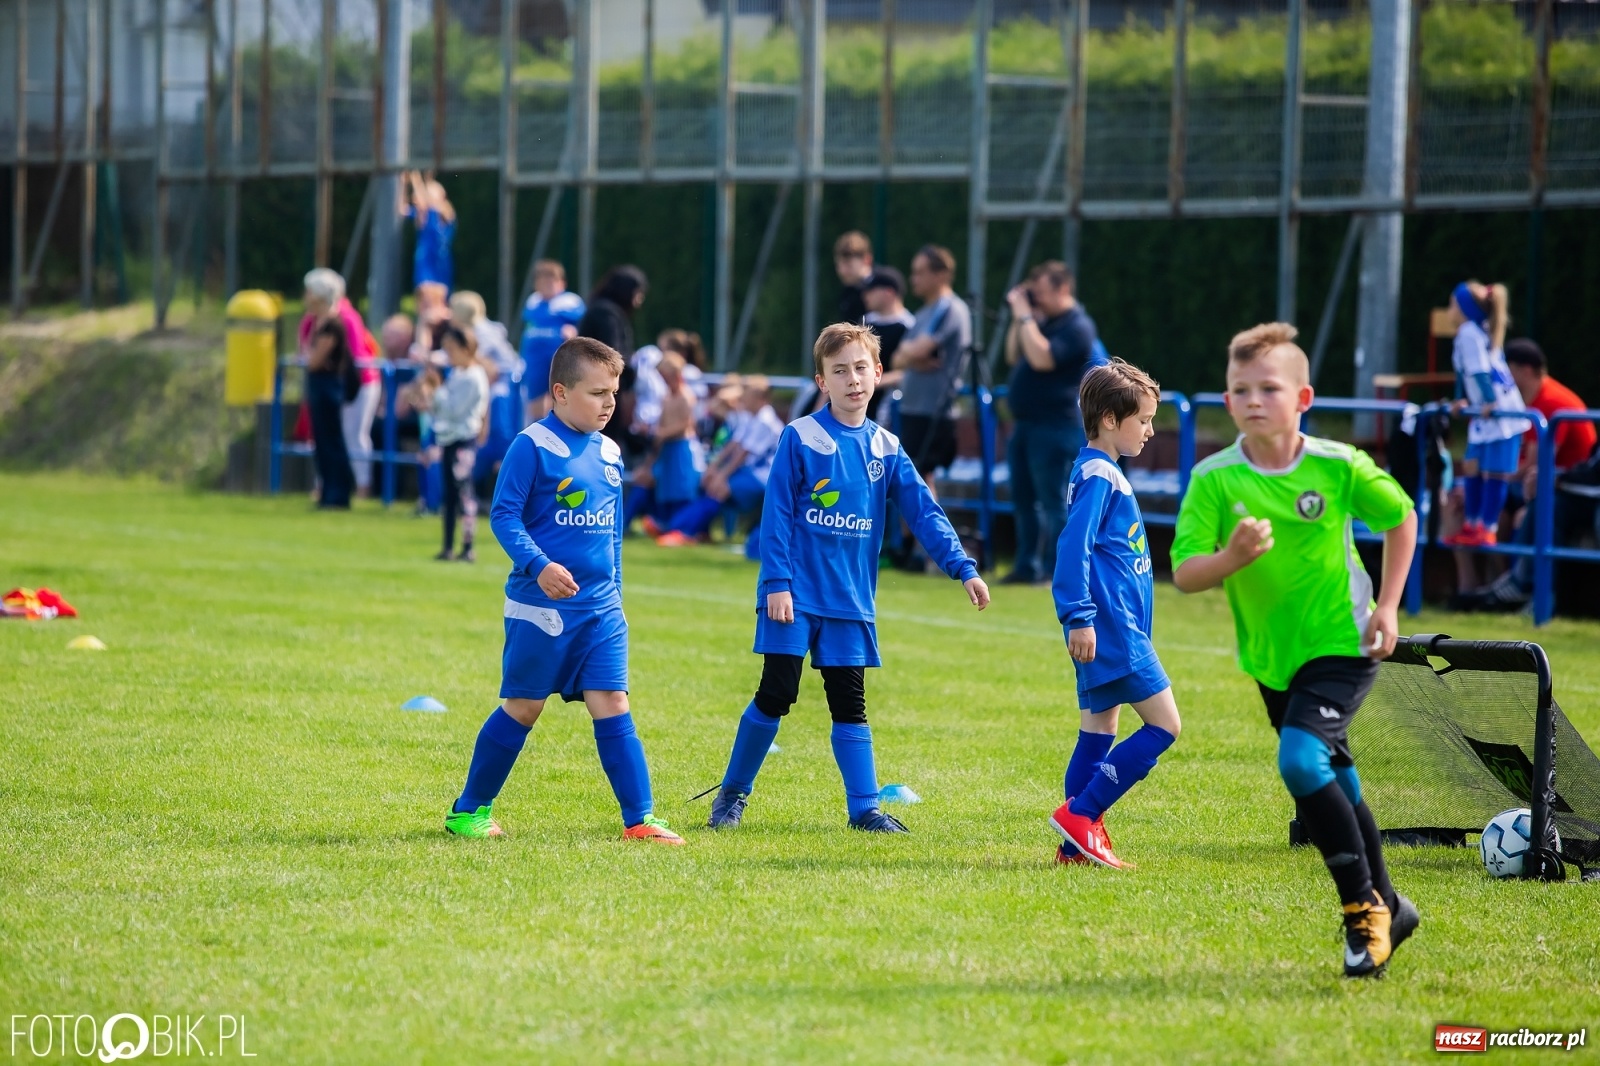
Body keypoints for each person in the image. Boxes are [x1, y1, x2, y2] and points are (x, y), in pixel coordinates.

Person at [1171, 322, 1420, 979]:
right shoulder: (1215, 480)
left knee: (1301, 758)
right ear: (1226, 402)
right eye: (1241, 389)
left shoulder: (1337, 466)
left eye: (1269, 388)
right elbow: (1186, 572)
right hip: (1272, 657)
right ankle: (1394, 905)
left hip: (1345, 640)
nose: (1254, 400)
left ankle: (1363, 911)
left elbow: (1400, 518)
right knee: (1333, 770)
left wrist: (1389, 607)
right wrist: (1234, 556)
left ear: (1303, 397)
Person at [703, 323, 991, 833]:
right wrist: (776, 585)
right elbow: (777, 517)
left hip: (850, 601)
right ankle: (731, 796)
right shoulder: (802, 437)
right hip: (795, 593)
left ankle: (864, 809)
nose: (852, 379)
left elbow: (923, 511)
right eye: (840, 371)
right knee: (777, 692)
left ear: (878, 374)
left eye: (861, 368)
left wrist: (962, 566)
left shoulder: (886, 447)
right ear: (822, 381)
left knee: (849, 702)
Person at [443, 336, 684, 845]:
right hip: (540, 608)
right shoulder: (532, 446)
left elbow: (612, 532)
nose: (609, 403)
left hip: (601, 611)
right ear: (559, 392)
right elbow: (503, 516)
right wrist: (539, 565)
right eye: (597, 393)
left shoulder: (611, 452)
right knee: (524, 708)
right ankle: (468, 811)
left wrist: (615, 591)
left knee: (614, 703)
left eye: (614, 393)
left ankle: (640, 819)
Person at [1048, 359, 1180, 869]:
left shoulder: (1096, 470)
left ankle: (1073, 848)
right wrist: (1078, 615)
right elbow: (1073, 548)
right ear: (1109, 418)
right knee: (1165, 727)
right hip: (1111, 629)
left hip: (1110, 629)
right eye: (1143, 420)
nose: (1149, 431)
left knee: (1098, 732)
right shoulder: (1100, 474)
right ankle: (1081, 815)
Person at [1467, 338, 1597, 611]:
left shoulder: (1552, 402)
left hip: (1564, 484)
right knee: (1472, 505)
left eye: (1506, 369)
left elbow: (1536, 465)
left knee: (1533, 505)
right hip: (1553, 482)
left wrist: (1494, 477)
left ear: (1525, 370)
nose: (1500, 376)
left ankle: (1522, 587)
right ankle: (1487, 584)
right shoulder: (1522, 400)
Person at [1001, 261, 1101, 586]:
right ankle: (1025, 566)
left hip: (1056, 428)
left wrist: (1026, 316)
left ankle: (1055, 571)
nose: (1037, 300)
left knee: (1054, 502)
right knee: (1023, 500)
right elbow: (1015, 355)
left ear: (1063, 289)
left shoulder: (1078, 326)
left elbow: (1043, 359)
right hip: (1028, 426)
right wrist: (1023, 316)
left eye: (1042, 293)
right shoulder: (1043, 322)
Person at [1442, 281, 1528, 548]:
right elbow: (1463, 373)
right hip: (1484, 414)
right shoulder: (1473, 331)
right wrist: (1461, 399)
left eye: (1452, 304)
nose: (1449, 310)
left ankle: (1486, 527)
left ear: (1464, 308)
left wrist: (1489, 401)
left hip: (1500, 413)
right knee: (1472, 467)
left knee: (1494, 472)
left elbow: (1480, 372)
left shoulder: (1469, 331)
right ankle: (1472, 524)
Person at [655, 376, 785, 546]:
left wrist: (721, 476)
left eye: (748, 395)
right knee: (707, 484)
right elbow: (734, 445)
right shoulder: (752, 416)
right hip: (749, 472)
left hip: (764, 477)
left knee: (718, 490)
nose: (744, 398)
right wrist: (713, 469)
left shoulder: (765, 421)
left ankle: (682, 530)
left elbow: (743, 454)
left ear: (760, 399)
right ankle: (694, 530)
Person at [406, 324, 489, 561]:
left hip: (463, 441)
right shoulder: (459, 375)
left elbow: (453, 409)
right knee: (450, 495)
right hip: (449, 439)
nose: (448, 355)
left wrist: (436, 387)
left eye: (452, 349)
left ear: (466, 349)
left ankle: (467, 547)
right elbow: (441, 408)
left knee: (464, 493)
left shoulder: (473, 377)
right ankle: (448, 546)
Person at [893, 245, 971, 486]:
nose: (913, 279)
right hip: (914, 410)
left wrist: (911, 354)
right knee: (911, 484)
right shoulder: (925, 312)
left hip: (933, 412)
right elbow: (896, 358)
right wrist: (912, 356)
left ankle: (930, 527)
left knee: (919, 484)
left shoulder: (949, 308)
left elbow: (916, 350)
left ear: (941, 274)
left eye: (920, 272)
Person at [299, 268, 380, 498]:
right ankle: (327, 487)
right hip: (330, 386)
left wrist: (311, 359)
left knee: (350, 435)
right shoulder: (314, 320)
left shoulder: (341, 320)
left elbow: (354, 355)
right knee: (328, 438)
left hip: (352, 385)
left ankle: (355, 487)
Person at [301, 275, 359, 510]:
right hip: (320, 387)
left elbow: (314, 361)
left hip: (328, 387)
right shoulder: (319, 322)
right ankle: (327, 492)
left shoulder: (333, 324)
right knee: (322, 442)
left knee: (331, 442)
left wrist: (308, 357)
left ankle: (338, 493)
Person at [520, 260, 586, 420]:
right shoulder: (533, 302)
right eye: (542, 281)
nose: (546, 286)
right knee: (534, 399)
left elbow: (581, 329)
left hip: (557, 358)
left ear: (562, 283)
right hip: (534, 359)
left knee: (556, 395)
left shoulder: (570, 303)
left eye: (551, 281)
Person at [403, 171, 456, 301]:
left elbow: (426, 204)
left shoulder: (445, 213)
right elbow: (402, 209)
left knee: (441, 299)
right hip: (425, 263)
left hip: (439, 265)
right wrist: (403, 184)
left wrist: (416, 180)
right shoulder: (425, 214)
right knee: (424, 299)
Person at [833, 230, 874, 325]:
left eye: (849, 265)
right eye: (839, 265)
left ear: (866, 260)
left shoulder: (880, 289)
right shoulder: (847, 292)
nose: (842, 271)